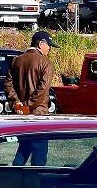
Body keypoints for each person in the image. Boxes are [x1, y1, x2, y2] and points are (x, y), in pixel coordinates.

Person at [4, 31, 57, 164]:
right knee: (39, 154)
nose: (49, 48)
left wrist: (17, 105)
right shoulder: (46, 63)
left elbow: (8, 86)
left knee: (23, 148)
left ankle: (13, 177)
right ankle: (36, 182)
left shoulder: (17, 60)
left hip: (20, 115)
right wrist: (27, 107)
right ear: (41, 44)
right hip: (39, 116)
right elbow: (42, 91)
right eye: (48, 45)